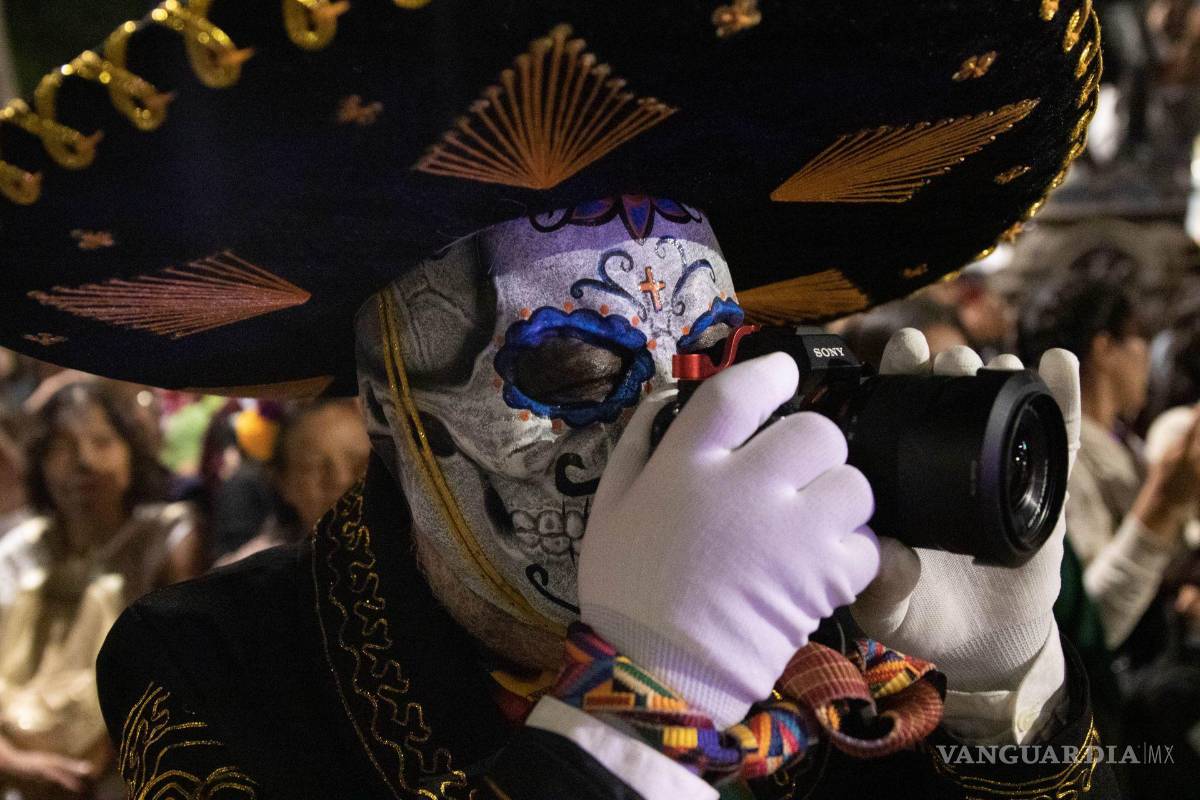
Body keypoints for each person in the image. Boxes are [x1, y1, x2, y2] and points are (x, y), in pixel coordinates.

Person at [0, 2, 1112, 797]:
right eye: (579, 373)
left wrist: (1002, 704)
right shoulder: (221, 667)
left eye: (721, 358)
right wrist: (648, 709)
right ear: (392, 413)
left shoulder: (832, 637)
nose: (677, 425)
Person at [0, 383, 199, 799]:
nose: (84, 463)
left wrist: (98, 759)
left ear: (131, 450)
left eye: (102, 441)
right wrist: (17, 764)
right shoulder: (16, 552)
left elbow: (178, 676)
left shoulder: (167, 538)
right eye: (63, 448)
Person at [1018, 269, 1199, 656]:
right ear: (1105, 348)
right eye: (1140, 341)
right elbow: (1087, 623)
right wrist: (1162, 505)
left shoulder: (1122, 442)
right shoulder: (1061, 458)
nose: (1147, 359)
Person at [214, 399, 369, 565]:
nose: (342, 480)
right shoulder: (263, 572)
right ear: (283, 481)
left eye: (360, 463)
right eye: (314, 466)